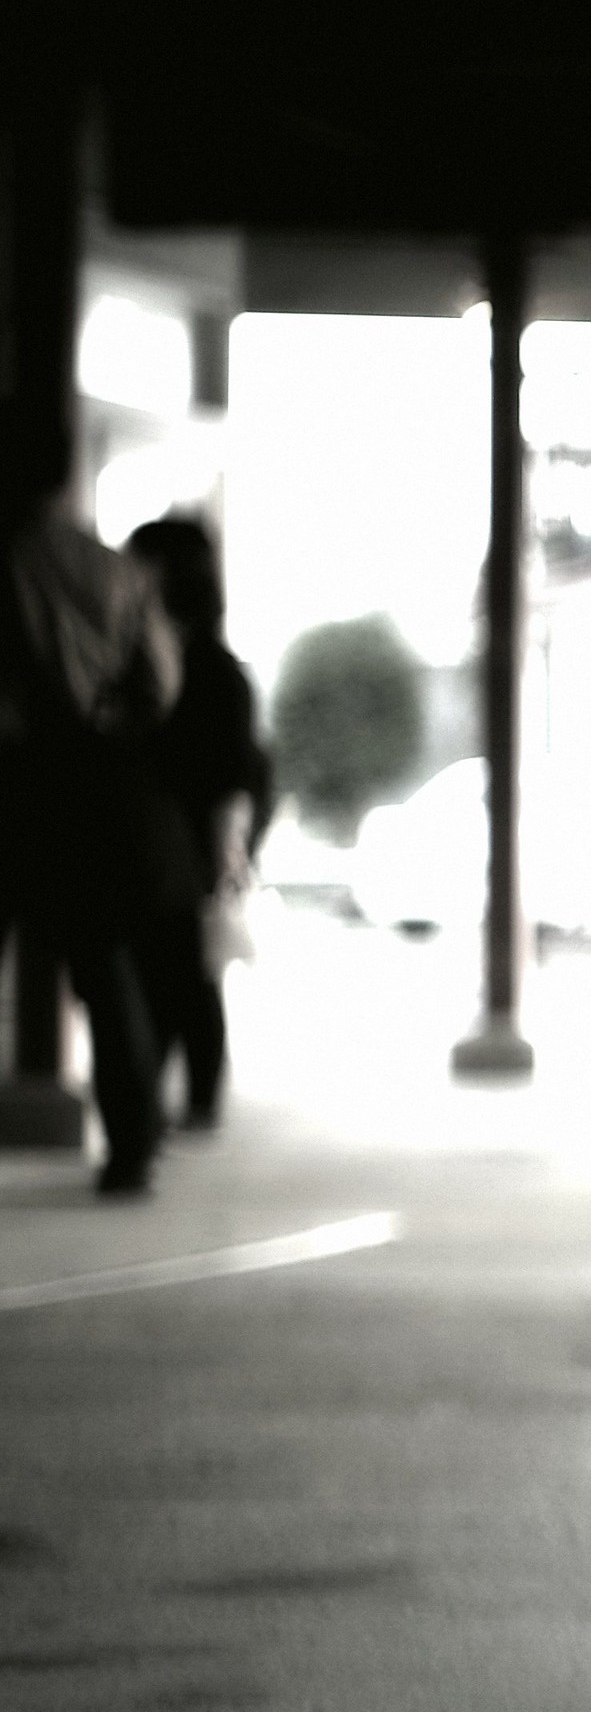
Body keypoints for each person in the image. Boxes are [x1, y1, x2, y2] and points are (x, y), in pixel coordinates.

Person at [0, 489, 182, 1196]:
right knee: (105, 970)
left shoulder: (12, 561)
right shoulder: (119, 572)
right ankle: (132, 1146)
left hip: (16, 775)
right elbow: (160, 684)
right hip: (96, 783)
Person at [124, 516, 274, 1131]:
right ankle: (171, 1102)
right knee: (175, 973)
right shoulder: (167, 658)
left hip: (191, 845)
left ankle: (188, 1101)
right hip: (167, 842)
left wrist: (227, 851)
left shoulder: (208, 669)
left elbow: (233, 776)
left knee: (184, 973)